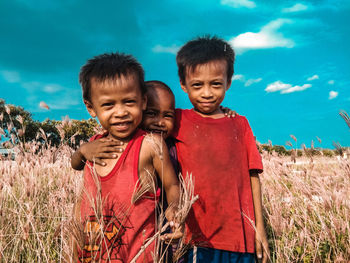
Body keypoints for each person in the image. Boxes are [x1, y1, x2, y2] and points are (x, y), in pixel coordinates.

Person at [71, 52, 181, 263]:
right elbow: (76, 165)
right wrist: (82, 151)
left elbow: (171, 185)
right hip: (92, 253)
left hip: (137, 256)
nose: (120, 112)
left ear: (143, 101)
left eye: (129, 102)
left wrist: (175, 210)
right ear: (91, 108)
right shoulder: (93, 144)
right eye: (108, 105)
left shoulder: (149, 145)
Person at [174, 36, 270, 263]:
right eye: (197, 85)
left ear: (228, 82)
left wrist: (260, 229)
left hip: (241, 238)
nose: (207, 93)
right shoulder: (175, 121)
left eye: (216, 84)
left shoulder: (240, 124)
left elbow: (253, 177)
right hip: (197, 238)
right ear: (183, 84)